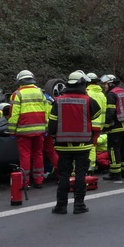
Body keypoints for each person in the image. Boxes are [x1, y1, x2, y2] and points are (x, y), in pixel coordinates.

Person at [48, 70, 101, 214]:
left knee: (64, 175)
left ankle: (61, 206)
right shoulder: (88, 100)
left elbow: (51, 126)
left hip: (63, 146)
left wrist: (54, 136)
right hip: (83, 145)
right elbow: (96, 113)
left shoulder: (58, 101)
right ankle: (79, 205)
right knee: (80, 175)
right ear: (82, 84)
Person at [10, 70, 51, 189]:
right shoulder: (40, 92)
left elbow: (14, 114)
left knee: (25, 156)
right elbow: (46, 110)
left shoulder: (17, 94)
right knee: (38, 154)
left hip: (24, 131)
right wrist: (46, 127)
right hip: (39, 130)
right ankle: (39, 180)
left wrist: (12, 130)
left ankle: (25, 182)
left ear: (20, 81)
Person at [101, 74, 124, 181]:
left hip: (116, 127)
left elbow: (110, 112)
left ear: (110, 83)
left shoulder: (111, 94)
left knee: (113, 150)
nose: (104, 86)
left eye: (105, 84)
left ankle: (115, 173)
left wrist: (105, 126)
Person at [85, 72, 107, 170]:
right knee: (93, 146)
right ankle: (91, 167)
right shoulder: (102, 94)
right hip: (99, 125)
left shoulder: (87, 93)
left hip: (89, 124)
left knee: (87, 147)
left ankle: (89, 167)